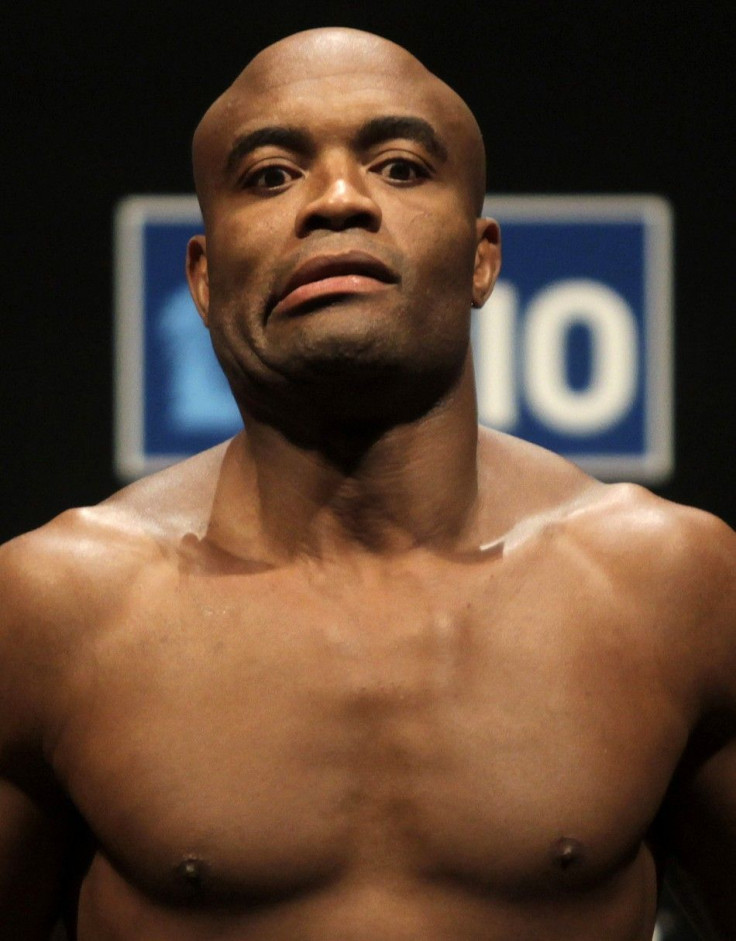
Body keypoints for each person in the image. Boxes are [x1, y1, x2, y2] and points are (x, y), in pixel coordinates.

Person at [1, 26, 735, 941]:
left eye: (397, 167)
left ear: (482, 257)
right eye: (270, 175)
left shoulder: (675, 584)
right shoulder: (51, 607)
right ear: (201, 275)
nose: (337, 201)